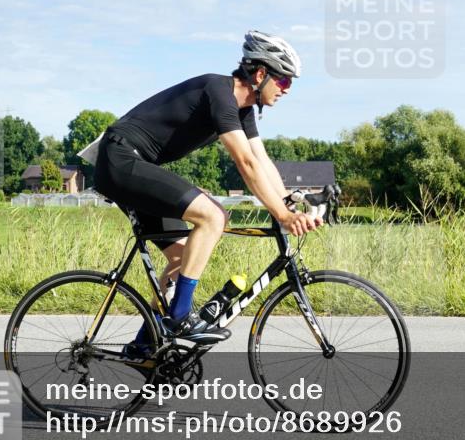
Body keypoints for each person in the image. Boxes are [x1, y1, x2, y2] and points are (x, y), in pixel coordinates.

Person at [93, 31, 322, 351]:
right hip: (120, 158)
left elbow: (261, 159)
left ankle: (147, 346)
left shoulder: (243, 109)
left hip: (136, 165)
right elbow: (244, 162)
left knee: (182, 257)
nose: (286, 90)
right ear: (260, 74)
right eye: (284, 82)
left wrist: (288, 204)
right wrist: (281, 214)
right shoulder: (219, 92)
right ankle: (179, 319)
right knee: (214, 217)